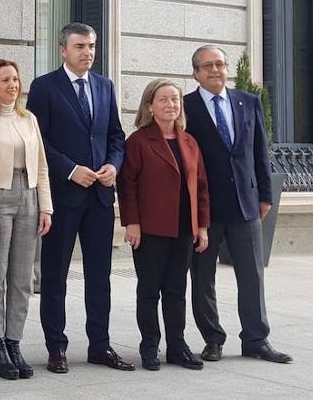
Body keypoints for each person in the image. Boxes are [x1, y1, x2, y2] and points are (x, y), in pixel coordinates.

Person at [27, 22, 134, 373]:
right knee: (55, 276)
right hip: (62, 197)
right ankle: (56, 348)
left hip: (100, 198)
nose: (88, 52)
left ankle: (100, 346)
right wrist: (71, 170)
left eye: (91, 46)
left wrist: (113, 165)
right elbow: (38, 142)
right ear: (63, 50)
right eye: (80, 46)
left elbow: (116, 136)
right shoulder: (44, 87)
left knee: (99, 277)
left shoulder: (104, 86)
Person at [185, 45, 293, 364]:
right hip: (206, 208)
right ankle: (213, 339)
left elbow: (261, 152)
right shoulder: (185, 107)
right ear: (196, 73)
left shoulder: (248, 102)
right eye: (208, 66)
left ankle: (256, 339)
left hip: (246, 205)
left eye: (220, 64)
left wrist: (265, 196)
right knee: (202, 278)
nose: (215, 70)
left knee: (252, 276)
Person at [0, 59, 53, 381]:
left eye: (15, 79)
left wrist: (46, 207)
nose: (13, 85)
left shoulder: (28, 119)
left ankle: (14, 342)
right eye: (5, 80)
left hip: (28, 195)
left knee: (23, 278)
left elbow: (41, 166)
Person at [119, 79, 210, 371]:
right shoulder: (138, 141)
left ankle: (177, 347)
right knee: (149, 291)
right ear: (150, 106)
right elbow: (127, 185)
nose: (171, 105)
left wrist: (202, 227)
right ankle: (149, 346)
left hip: (183, 229)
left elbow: (201, 186)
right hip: (150, 228)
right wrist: (131, 223)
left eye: (175, 100)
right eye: (163, 100)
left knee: (176, 290)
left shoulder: (189, 141)